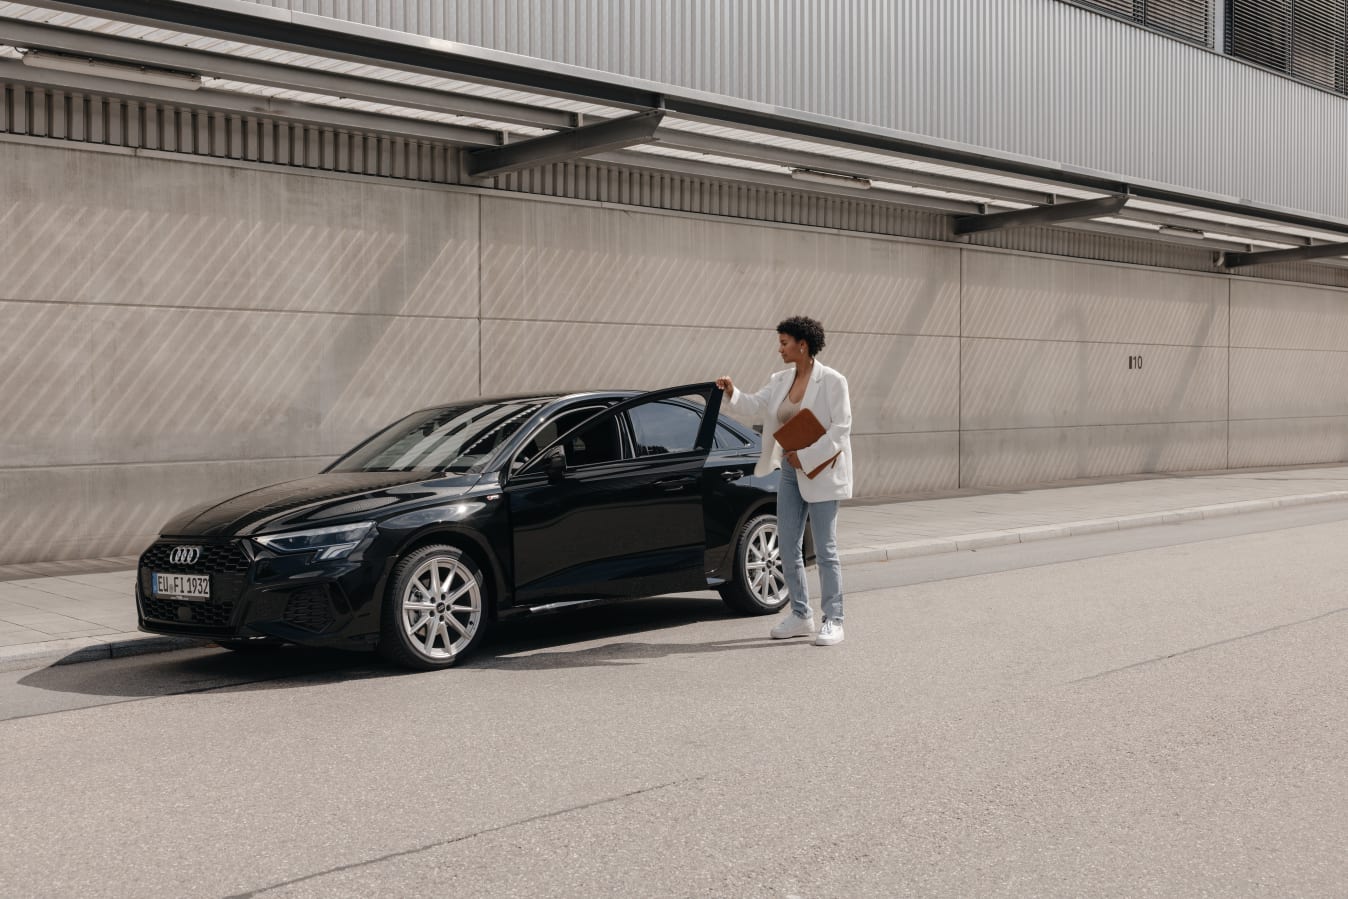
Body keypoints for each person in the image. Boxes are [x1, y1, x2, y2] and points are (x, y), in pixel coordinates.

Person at [716, 316, 853, 646]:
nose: (779, 349)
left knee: (825, 549)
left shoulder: (833, 381)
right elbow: (755, 404)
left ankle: (834, 619)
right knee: (787, 544)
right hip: (790, 472)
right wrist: (733, 393)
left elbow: (840, 429)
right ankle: (801, 614)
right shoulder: (779, 380)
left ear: (802, 345)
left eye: (784, 343)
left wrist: (805, 457)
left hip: (820, 471)